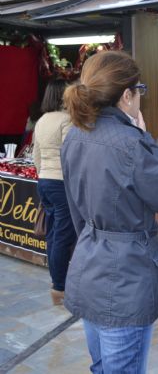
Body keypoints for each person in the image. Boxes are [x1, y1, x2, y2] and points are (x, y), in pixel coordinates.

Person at [61, 51, 158, 374]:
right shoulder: (131, 143)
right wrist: (145, 136)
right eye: (139, 90)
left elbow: (76, 212)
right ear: (127, 95)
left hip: (89, 267)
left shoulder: (74, 135)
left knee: (101, 366)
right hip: (127, 280)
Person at [33, 79, 74, 305]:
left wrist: (43, 174)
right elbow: (71, 156)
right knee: (62, 236)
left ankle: (56, 282)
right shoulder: (67, 120)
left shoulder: (41, 121)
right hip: (61, 184)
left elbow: (36, 156)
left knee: (52, 235)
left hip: (45, 182)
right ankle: (60, 287)